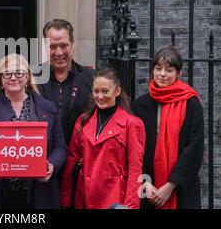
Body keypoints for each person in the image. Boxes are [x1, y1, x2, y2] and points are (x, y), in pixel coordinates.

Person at [0, 54, 67, 208]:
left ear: (27, 76)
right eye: (7, 73)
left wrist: (51, 165)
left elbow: (60, 147)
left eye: (19, 72)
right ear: (0, 78)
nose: (13, 77)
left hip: (37, 193)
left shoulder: (47, 108)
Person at [60, 68, 145, 209]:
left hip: (115, 197)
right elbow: (71, 161)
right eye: (96, 91)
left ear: (117, 91)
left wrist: (130, 206)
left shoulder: (132, 124)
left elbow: (135, 169)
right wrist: (66, 199)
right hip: (85, 197)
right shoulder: (83, 121)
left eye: (105, 91)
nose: (99, 96)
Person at [131, 46, 204, 209]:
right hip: (147, 189)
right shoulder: (139, 105)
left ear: (179, 73)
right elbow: (133, 148)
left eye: (169, 70)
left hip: (181, 188)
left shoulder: (191, 104)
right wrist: (144, 182)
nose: (162, 74)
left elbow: (194, 149)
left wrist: (170, 185)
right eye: (158, 68)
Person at [36, 19, 95, 146]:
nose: (58, 52)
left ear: (73, 44)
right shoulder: (31, 79)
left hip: (81, 158)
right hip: (43, 158)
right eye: (52, 46)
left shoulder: (92, 79)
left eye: (63, 45)